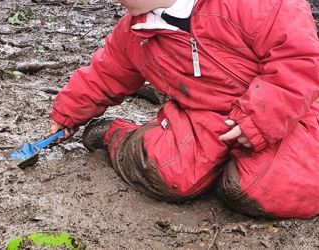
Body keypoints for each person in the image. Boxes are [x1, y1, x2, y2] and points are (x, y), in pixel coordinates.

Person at [49, 0, 319, 219]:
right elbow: (105, 73)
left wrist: (262, 117)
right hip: (202, 117)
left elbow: (299, 59)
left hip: (288, 112)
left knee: (265, 189)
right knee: (168, 172)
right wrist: (68, 112)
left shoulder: (255, 5)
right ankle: (114, 136)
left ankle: (228, 172)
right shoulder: (136, 32)